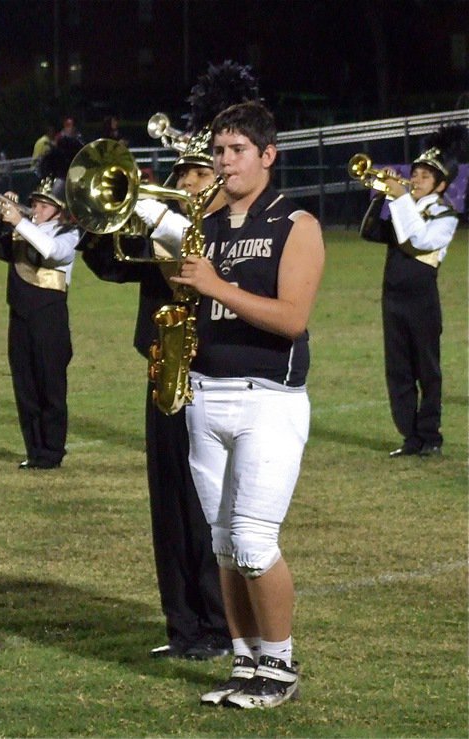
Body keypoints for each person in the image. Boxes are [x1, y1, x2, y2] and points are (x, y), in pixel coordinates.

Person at [81, 61, 258, 661]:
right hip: (163, 373)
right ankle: (182, 626)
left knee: (209, 506)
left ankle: (219, 623)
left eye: (200, 175)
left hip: (216, 378)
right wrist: (97, 217)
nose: (190, 187)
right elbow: (108, 266)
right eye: (184, 177)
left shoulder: (230, 232)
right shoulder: (163, 227)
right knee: (168, 505)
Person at [170, 100, 324, 709]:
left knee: (255, 542)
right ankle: (246, 660)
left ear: (267, 155)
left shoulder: (296, 223)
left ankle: (280, 667)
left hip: (268, 398)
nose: (224, 162)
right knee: (223, 545)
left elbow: (292, 319)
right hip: (206, 393)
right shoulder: (202, 221)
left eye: (236, 151)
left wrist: (216, 286)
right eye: (218, 151)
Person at [358, 124, 465, 458]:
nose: (415, 179)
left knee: (427, 370)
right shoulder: (404, 210)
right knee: (398, 369)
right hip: (392, 299)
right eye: (414, 173)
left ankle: (430, 435)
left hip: (422, 302)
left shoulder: (444, 215)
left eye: (424, 175)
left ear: (441, 184)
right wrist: (379, 199)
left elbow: (419, 241)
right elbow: (371, 233)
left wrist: (400, 197)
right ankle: (410, 437)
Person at [0, 137, 80, 470]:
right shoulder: (26, 227)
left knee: (50, 386)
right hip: (19, 315)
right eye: (34, 202)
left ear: (60, 208)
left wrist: (20, 222)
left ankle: (52, 451)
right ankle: (34, 450)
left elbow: (52, 252)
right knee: (25, 385)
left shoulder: (68, 233)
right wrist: (0, 215)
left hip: (49, 317)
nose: (36, 209)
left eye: (44, 204)